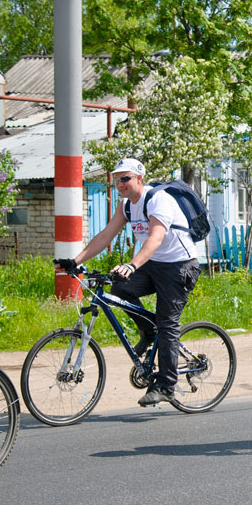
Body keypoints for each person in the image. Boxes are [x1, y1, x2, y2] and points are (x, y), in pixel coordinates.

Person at [65, 158, 202, 406]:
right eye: (117, 180)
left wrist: (132, 265)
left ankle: (166, 386)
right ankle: (148, 331)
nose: (120, 184)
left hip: (179, 266)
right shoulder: (127, 206)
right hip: (154, 264)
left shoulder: (158, 200)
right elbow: (105, 235)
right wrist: (75, 261)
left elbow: (155, 238)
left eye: (125, 178)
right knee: (120, 288)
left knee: (167, 324)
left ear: (139, 178)